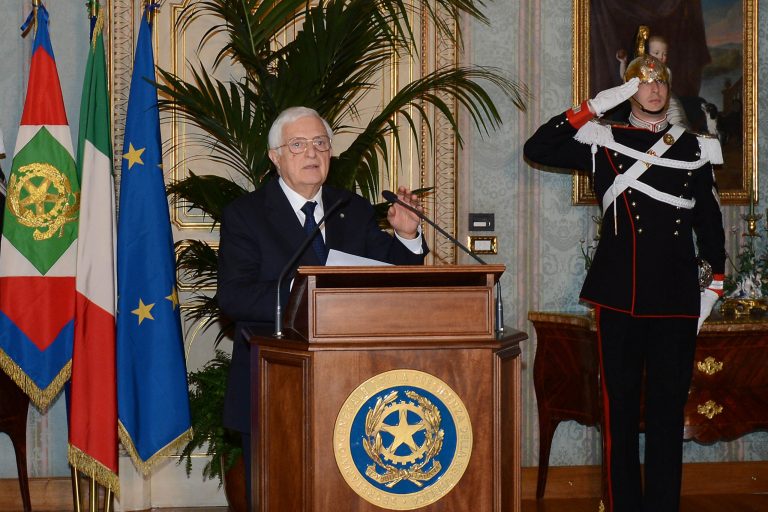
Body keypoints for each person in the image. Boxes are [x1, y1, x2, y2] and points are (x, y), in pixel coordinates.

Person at [524, 53, 726, 512]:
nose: (653, 88)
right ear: (627, 89)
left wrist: (713, 284)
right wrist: (593, 105)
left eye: (660, 81)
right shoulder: (603, 140)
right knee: (617, 413)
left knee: (666, 413)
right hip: (620, 294)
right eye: (642, 81)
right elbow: (538, 148)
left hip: (676, 298)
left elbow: (710, 224)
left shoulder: (694, 148)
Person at [216, 106, 428, 508]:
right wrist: (312, 293)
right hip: (273, 382)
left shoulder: (353, 208)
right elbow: (235, 296)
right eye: (297, 145)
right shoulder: (245, 214)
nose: (311, 153)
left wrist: (407, 234)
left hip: (353, 382)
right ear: (276, 157)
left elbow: (397, 280)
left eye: (320, 144)